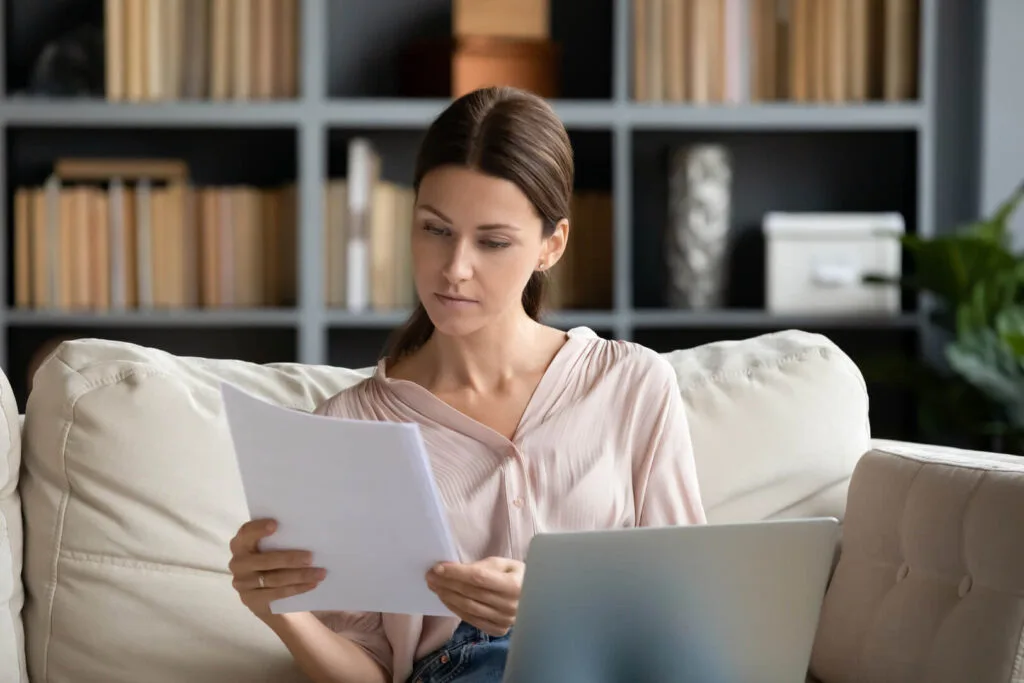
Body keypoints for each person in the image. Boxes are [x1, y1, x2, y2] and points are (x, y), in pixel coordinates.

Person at [227, 86, 707, 683]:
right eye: (435, 230)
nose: (454, 268)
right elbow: (372, 668)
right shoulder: (349, 428)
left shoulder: (631, 384)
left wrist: (556, 607)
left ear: (550, 245)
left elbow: (691, 621)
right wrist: (283, 614)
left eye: (493, 242)